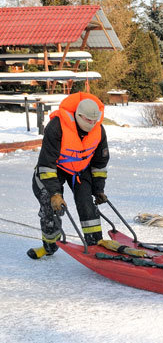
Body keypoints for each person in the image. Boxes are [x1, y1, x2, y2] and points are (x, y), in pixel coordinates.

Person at [28, 92, 109, 259]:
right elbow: (47, 164)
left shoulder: (99, 131)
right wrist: (55, 194)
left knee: (86, 202)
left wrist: (98, 189)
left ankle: (94, 243)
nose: (92, 124)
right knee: (50, 204)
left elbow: (99, 164)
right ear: (78, 116)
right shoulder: (56, 126)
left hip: (80, 169)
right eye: (88, 121)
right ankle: (50, 246)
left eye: (95, 121)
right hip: (53, 169)